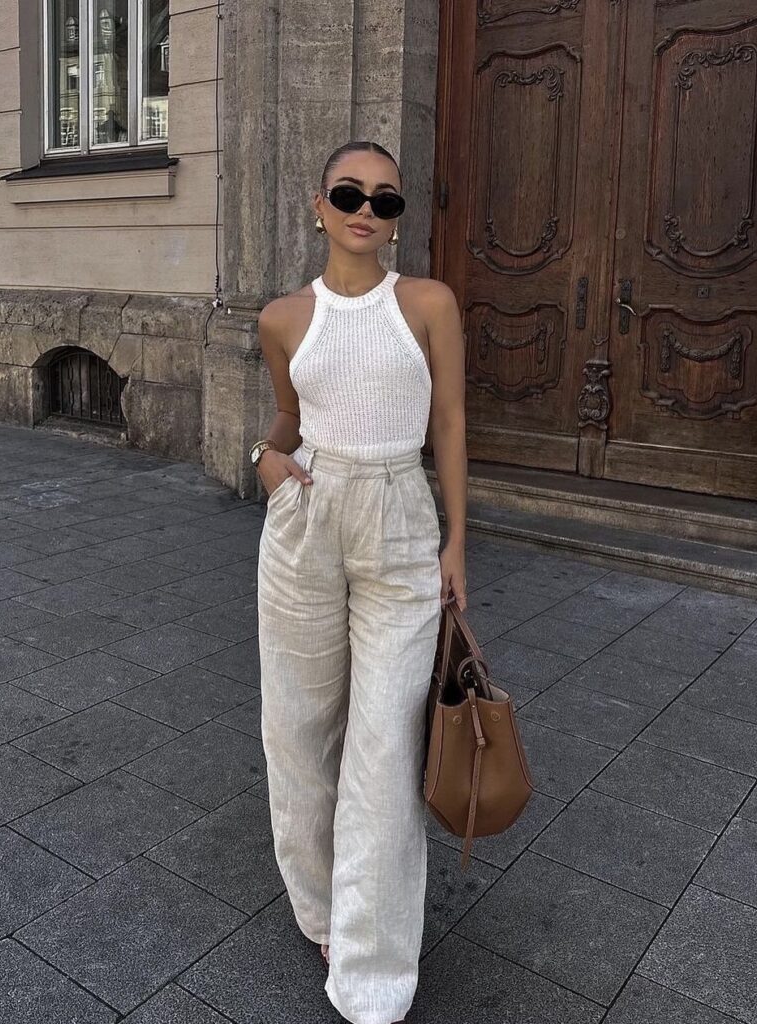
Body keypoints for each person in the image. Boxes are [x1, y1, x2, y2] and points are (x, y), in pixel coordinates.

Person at [253, 141, 468, 1024]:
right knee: (298, 731)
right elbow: (287, 421)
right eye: (349, 194)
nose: (365, 212)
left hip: (400, 522)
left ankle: (375, 969)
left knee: (384, 747)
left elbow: (449, 423)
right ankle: (321, 913)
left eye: (384, 201)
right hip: (306, 522)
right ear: (319, 204)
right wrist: (264, 462)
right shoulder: (280, 317)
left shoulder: (425, 304)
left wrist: (458, 543)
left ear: (395, 217)